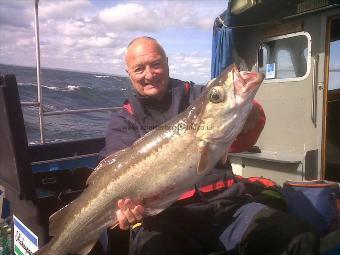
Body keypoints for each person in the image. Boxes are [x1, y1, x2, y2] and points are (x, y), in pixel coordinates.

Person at [99, 36, 319, 255]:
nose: (149, 74)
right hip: (167, 220)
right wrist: (126, 211)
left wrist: (248, 108)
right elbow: (113, 175)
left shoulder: (198, 95)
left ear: (167, 63)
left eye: (156, 64)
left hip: (227, 208)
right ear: (129, 73)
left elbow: (241, 139)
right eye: (139, 69)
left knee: (298, 237)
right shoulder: (123, 121)